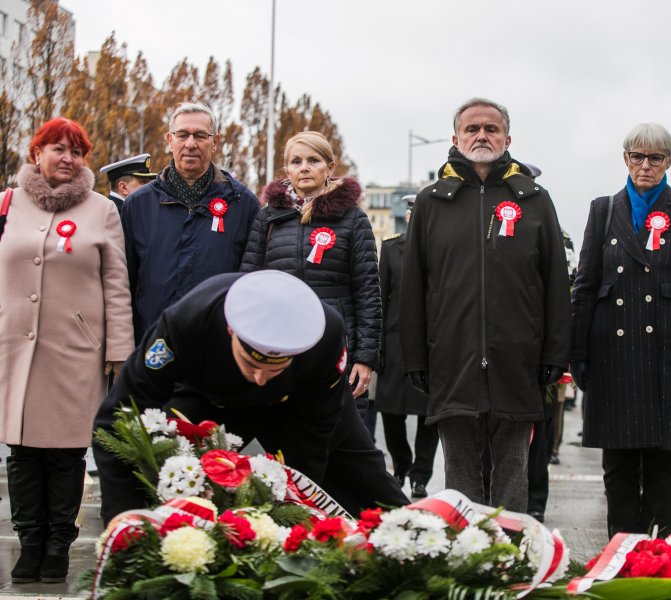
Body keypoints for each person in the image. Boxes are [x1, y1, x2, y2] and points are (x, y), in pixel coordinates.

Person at [93, 270, 406, 523]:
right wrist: (124, 518)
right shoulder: (188, 321)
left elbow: (314, 431)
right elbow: (118, 417)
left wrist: (291, 513)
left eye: (272, 369)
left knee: (372, 487)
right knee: (178, 487)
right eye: (252, 363)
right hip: (208, 401)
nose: (259, 378)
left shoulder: (325, 336)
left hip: (295, 404)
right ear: (231, 331)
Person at [400, 98, 571, 512]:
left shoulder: (533, 199)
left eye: (491, 129)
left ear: (507, 138)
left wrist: (554, 353)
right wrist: (415, 358)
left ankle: (510, 561)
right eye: (472, 129)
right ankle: (467, 558)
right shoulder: (430, 202)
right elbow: (413, 289)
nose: (482, 136)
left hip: (517, 361)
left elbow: (554, 284)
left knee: (514, 472)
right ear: (456, 138)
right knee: (459, 476)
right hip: (452, 361)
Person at [0, 118, 134, 583]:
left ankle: (58, 545)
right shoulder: (6, 204)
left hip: (75, 350)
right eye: (57, 148)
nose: (67, 158)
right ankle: (29, 543)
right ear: (36, 153)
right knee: (21, 452)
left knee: (66, 453)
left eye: (76, 151)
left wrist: (118, 348)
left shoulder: (101, 210)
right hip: (14, 349)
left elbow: (116, 284)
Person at [570, 122, 671, 538]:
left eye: (655, 158)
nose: (645, 166)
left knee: (660, 463)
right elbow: (585, 283)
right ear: (625, 159)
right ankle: (620, 547)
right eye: (638, 156)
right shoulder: (603, 209)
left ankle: (658, 550)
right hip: (612, 352)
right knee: (617, 464)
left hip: (667, 353)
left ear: (669, 161)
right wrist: (576, 351)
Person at [239, 131, 381, 436]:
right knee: (283, 436)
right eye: (296, 161)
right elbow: (248, 284)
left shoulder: (353, 219)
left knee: (340, 439)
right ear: (286, 170)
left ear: (329, 168)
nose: (304, 167)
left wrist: (365, 359)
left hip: (336, 348)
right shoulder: (267, 219)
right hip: (279, 347)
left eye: (313, 160)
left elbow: (368, 292)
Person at [121, 101, 259, 341]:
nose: (191, 144)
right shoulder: (138, 205)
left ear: (215, 142)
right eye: (182, 135)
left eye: (200, 135)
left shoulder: (242, 204)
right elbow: (124, 283)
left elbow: (252, 281)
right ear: (169, 140)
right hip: (153, 343)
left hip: (218, 344)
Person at [375, 195, 439, 499]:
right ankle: (401, 465)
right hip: (395, 341)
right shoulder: (391, 247)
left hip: (430, 344)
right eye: (413, 213)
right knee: (391, 412)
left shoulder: (439, 248)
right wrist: (378, 346)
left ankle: (420, 476)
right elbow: (381, 296)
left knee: (429, 415)